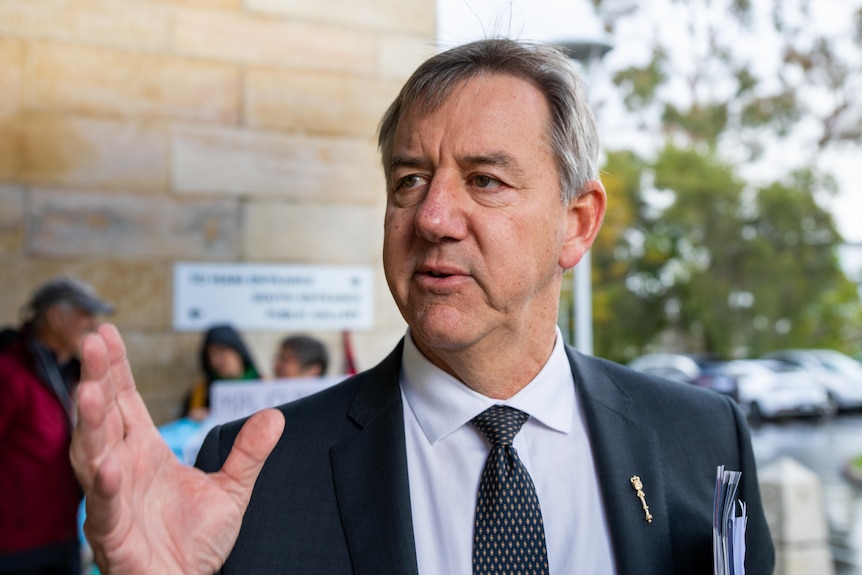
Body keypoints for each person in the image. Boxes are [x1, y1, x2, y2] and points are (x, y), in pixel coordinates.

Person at [69, 38, 774, 574]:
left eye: (485, 179)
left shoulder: (703, 441)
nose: (433, 215)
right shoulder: (253, 474)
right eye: (410, 179)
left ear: (577, 222)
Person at [0, 275, 114, 575]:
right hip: (16, 545)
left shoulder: (70, 375)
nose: (94, 325)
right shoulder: (9, 373)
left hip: (61, 535)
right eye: (86, 314)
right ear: (55, 317)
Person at [185, 324, 261, 421]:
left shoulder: (264, 384)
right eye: (211, 355)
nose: (215, 360)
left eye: (222, 351)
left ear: (237, 350)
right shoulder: (200, 393)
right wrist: (193, 419)